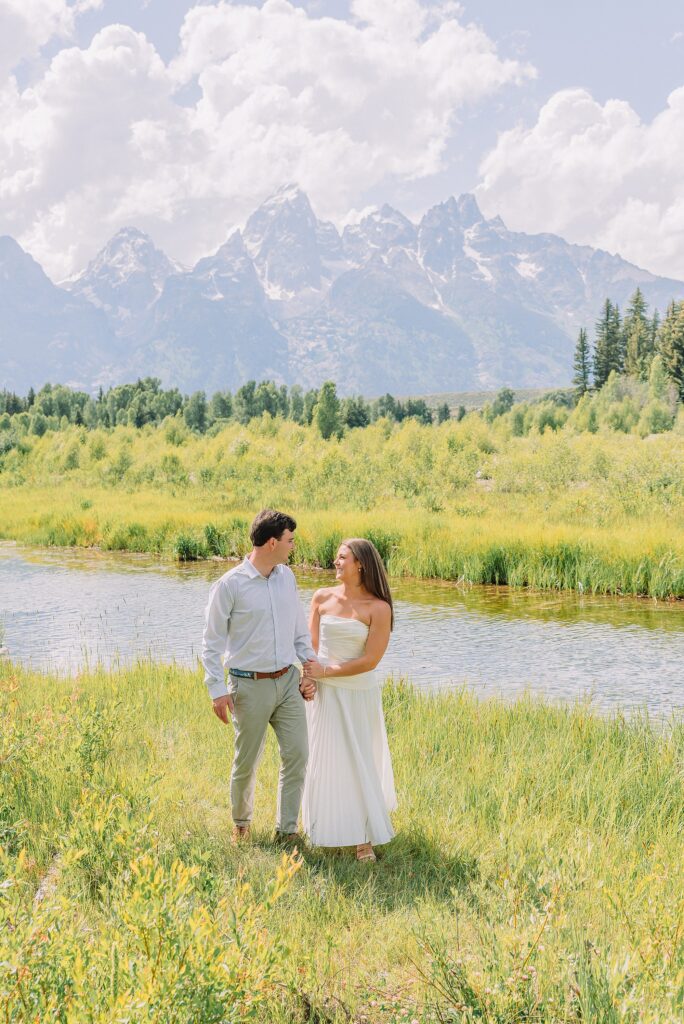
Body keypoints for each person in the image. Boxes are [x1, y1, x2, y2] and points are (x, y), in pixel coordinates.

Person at [202, 509, 316, 845]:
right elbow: (210, 643)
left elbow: (299, 631)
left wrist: (308, 669)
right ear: (271, 543)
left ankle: (287, 831)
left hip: (287, 681)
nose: (293, 546)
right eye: (289, 540)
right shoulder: (229, 586)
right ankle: (241, 824)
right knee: (247, 761)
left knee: (297, 755)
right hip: (248, 685)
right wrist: (217, 690)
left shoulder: (287, 577)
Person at [301, 538, 397, 861]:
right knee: (322, 759)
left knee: (358, 760)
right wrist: (308, 679)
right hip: (324, 694)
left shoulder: (378, 608)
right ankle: (318, 827)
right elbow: (309, 649)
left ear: (361, 565)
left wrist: (325, 671)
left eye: (343, 558)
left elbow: (370, 660)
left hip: (357, 693)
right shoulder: (321, 598)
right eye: (336, 558)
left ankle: (364, 839)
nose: (336, 562)